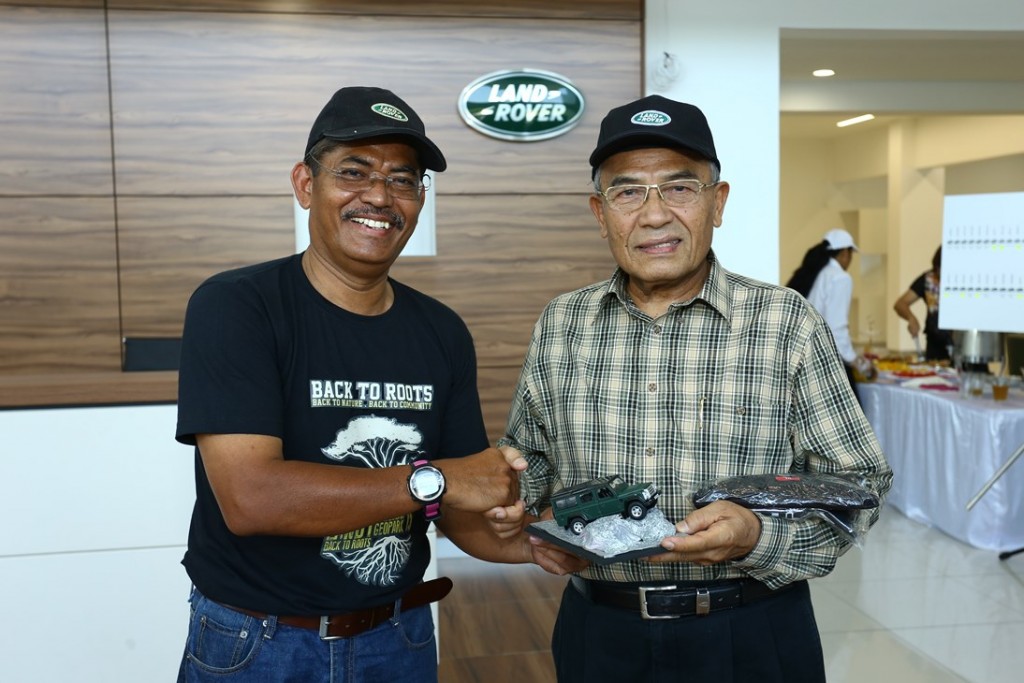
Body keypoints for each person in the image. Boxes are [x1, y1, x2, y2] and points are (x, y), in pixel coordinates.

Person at [175, 86, 576, 683]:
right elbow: (251, 497)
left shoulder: (440, 331)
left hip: (399, 638)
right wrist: (437, 480)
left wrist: (524, 544)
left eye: (403, 179)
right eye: (354, 172)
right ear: (306, 184)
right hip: (261, 643)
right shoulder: (237, 307)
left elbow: (456, 505)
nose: (380, 197)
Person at [490, 95, 892, 683]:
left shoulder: (785, 323)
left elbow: (859, 485)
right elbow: (535, 465)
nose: (654, 215)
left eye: (679, 188)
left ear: (717, 202)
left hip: (751, 633)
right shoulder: (563, 322)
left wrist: (758, 535)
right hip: (600, 635)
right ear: (600, 213)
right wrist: (520, 508)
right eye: (628, 192)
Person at [786, 228, 873, 394]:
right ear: (844, 253)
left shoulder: (817, 274)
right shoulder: (840, 278)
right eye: (851, 254)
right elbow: (836, 326)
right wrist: (854, 359)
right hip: (827, 361)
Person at [893, 246, 953, 361]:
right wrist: (911, 318)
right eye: (938, 270)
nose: (940, 275)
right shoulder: (928, 279)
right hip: (935, 345)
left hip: (964, 345)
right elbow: (900, 304)